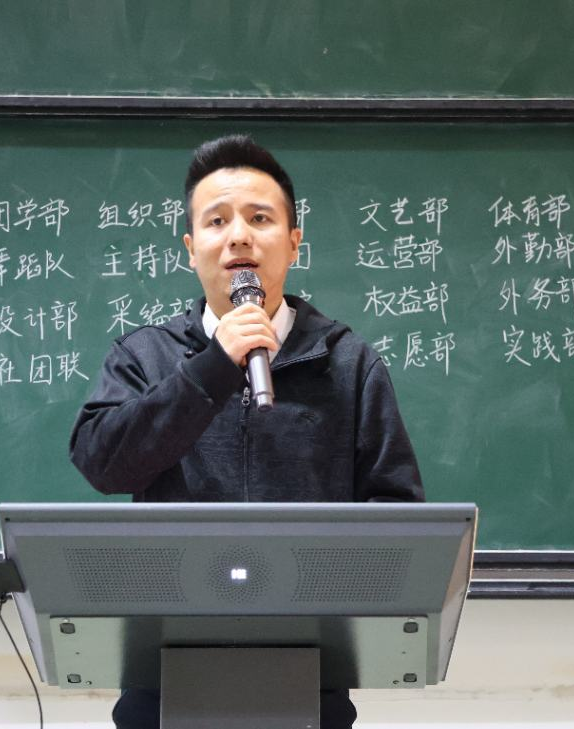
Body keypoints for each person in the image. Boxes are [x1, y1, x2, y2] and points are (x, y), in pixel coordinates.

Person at [69, 134, 424, 729]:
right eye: (217, 221)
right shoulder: (144, 356)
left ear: (293, 242)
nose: (238, 236)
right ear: (191, 248)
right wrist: (212, 368)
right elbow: (102, 462)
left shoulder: (348, 361)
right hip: (162, 680)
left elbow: (397, 514)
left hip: (311, 681)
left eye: (260, 218)